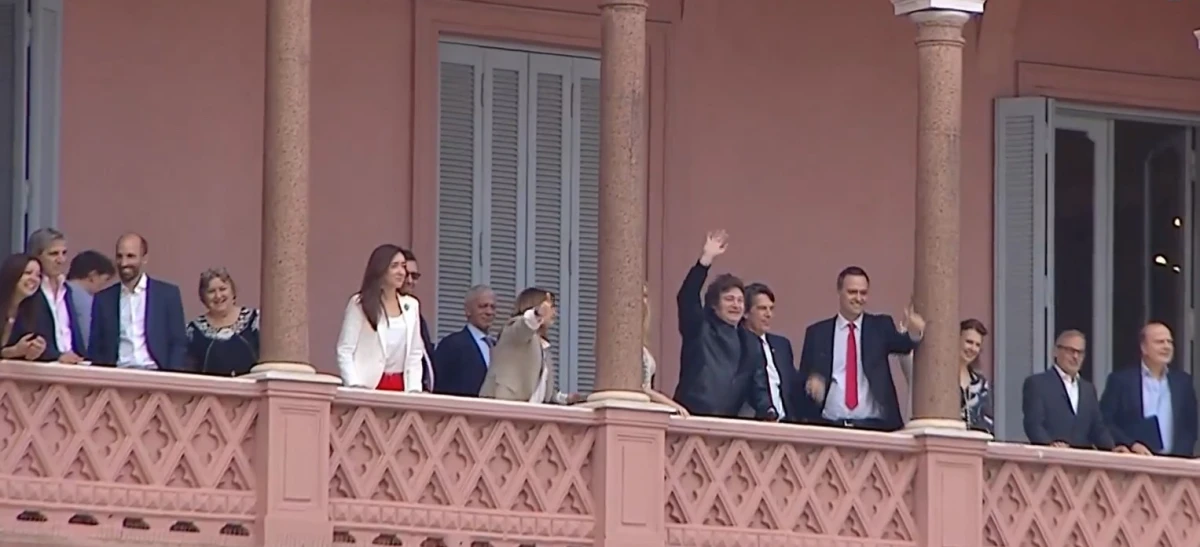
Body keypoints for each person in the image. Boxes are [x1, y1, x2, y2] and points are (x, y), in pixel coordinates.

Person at [795, 266, 924, 432]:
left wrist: (915, 331)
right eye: (852, 292)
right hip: (829, 425)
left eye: (863, 293)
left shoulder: (880, 326)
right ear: (839, 291)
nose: (858, 298)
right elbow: (804, 376)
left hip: (873, 425)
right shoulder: (817, 333)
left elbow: (903, 345)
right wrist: (811, 383)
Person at [672, 230, 774, 419]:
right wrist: (705, 261)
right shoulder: (700, 328)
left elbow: (759, 389)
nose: (735, 305)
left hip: (726, 427)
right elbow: (687, 296)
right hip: (691, 419)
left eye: (740, 300)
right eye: (729, 299)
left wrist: (769, 412)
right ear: (714, 304)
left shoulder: (751, 343)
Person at [89, 234, 187, 370]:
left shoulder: (167, 295)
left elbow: (178, 342)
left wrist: (171, 377)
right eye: (119, 256)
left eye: (130, 256)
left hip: (156, 374)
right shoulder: (103, 299)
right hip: (116, 376)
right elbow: (96, 347)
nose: (124, 263)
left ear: (144, 258)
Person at [1101, 322, 1198, 457]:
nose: (1166, 346)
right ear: (1144, 347)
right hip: (1134, 461)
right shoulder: (1121, 381)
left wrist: (1181, 455)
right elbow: (1105, 421)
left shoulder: (1182, 382)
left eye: (1169, 342)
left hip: (1174, 464)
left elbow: (1190, 426)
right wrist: (1131, 444)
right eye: (1160, 342)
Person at [336, 244, 425, 391]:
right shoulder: (360, 304)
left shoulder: (412, 306)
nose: (401, 272)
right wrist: (354, 385)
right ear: (380, 270)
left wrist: (415, 389)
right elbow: (345, 350)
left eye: (403, 266)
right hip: (368, 386)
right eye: (394, 266)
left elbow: (415, 353)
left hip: (402, 385)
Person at [479, 288, 581, 405]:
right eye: (551, 307)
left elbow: (544, 390)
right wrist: (537, 313)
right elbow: (524, 326)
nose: (555, 313)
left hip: (527, 414)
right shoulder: (514, 330)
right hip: (501, 408)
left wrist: (565, 398)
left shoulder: (543, 345)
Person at [1022, 330, 1120, 450]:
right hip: (1050, 461)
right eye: (1070, 351)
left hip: (1083, 462)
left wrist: (1113, 448)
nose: (1075, 357)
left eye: (1080, 352)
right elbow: (1033, 425)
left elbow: (1097, 429)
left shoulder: (1088, 389)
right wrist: (1049, 445)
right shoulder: (1037, 384)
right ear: (1056, 352)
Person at [22, 228, 85, 363]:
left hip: (73, 366)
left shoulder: (67, 290)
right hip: (43, 367)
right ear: (37, 257)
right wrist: (57, 356)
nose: (61, 259)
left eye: (64, 253)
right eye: (53, 254)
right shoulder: (29, 290)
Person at [185, 268, 260, 376]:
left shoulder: (255, 321)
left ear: (233, 292)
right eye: (211, 291)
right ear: (203, 297)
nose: (218, 296)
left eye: (222, 289)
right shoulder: (192, 331)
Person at [741, 282, 794, 421]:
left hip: (784, 425)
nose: (768, 314)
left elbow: (792, 386)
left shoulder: (782, 345)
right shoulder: (737, 345)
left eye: (771, 308)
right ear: (745, 312)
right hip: (751, 425)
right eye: (762, 308)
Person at [432, 284, 496, 396]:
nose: (489, 312)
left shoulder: (497, 346)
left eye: (492, 307)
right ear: (468, 311)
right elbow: (439, 386)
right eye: (483, 306)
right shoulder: (451, 345)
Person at [641, 284, 689, 416]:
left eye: (645, 296)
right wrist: (672, 405)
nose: (644, 301)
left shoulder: (641, 345)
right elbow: (641, 389)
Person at [64, 250, 116, 353]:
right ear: (93, 276)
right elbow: (88, 337)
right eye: (105, 280)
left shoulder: (59, 291)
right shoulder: (87, 301)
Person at [0, 254, 46, 360]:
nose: (34, 279)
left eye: (38, 275)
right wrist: (13, 351)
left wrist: (34, 352)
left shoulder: (34, 311)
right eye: (28, 273)